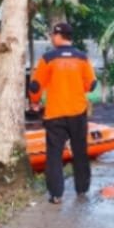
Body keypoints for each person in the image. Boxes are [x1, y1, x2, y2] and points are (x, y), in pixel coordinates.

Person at [28, 22, 97, 204]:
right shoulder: (82, 58)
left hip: (55, 113)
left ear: (58, 36)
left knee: (54, 155)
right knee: (80, 152)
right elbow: (90, 85)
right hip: (77, 111)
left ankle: (56, 194)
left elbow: (35, 86)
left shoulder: (47, 58)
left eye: (52, 35)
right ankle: (82, 190)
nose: (51, 38)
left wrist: (34, 102)